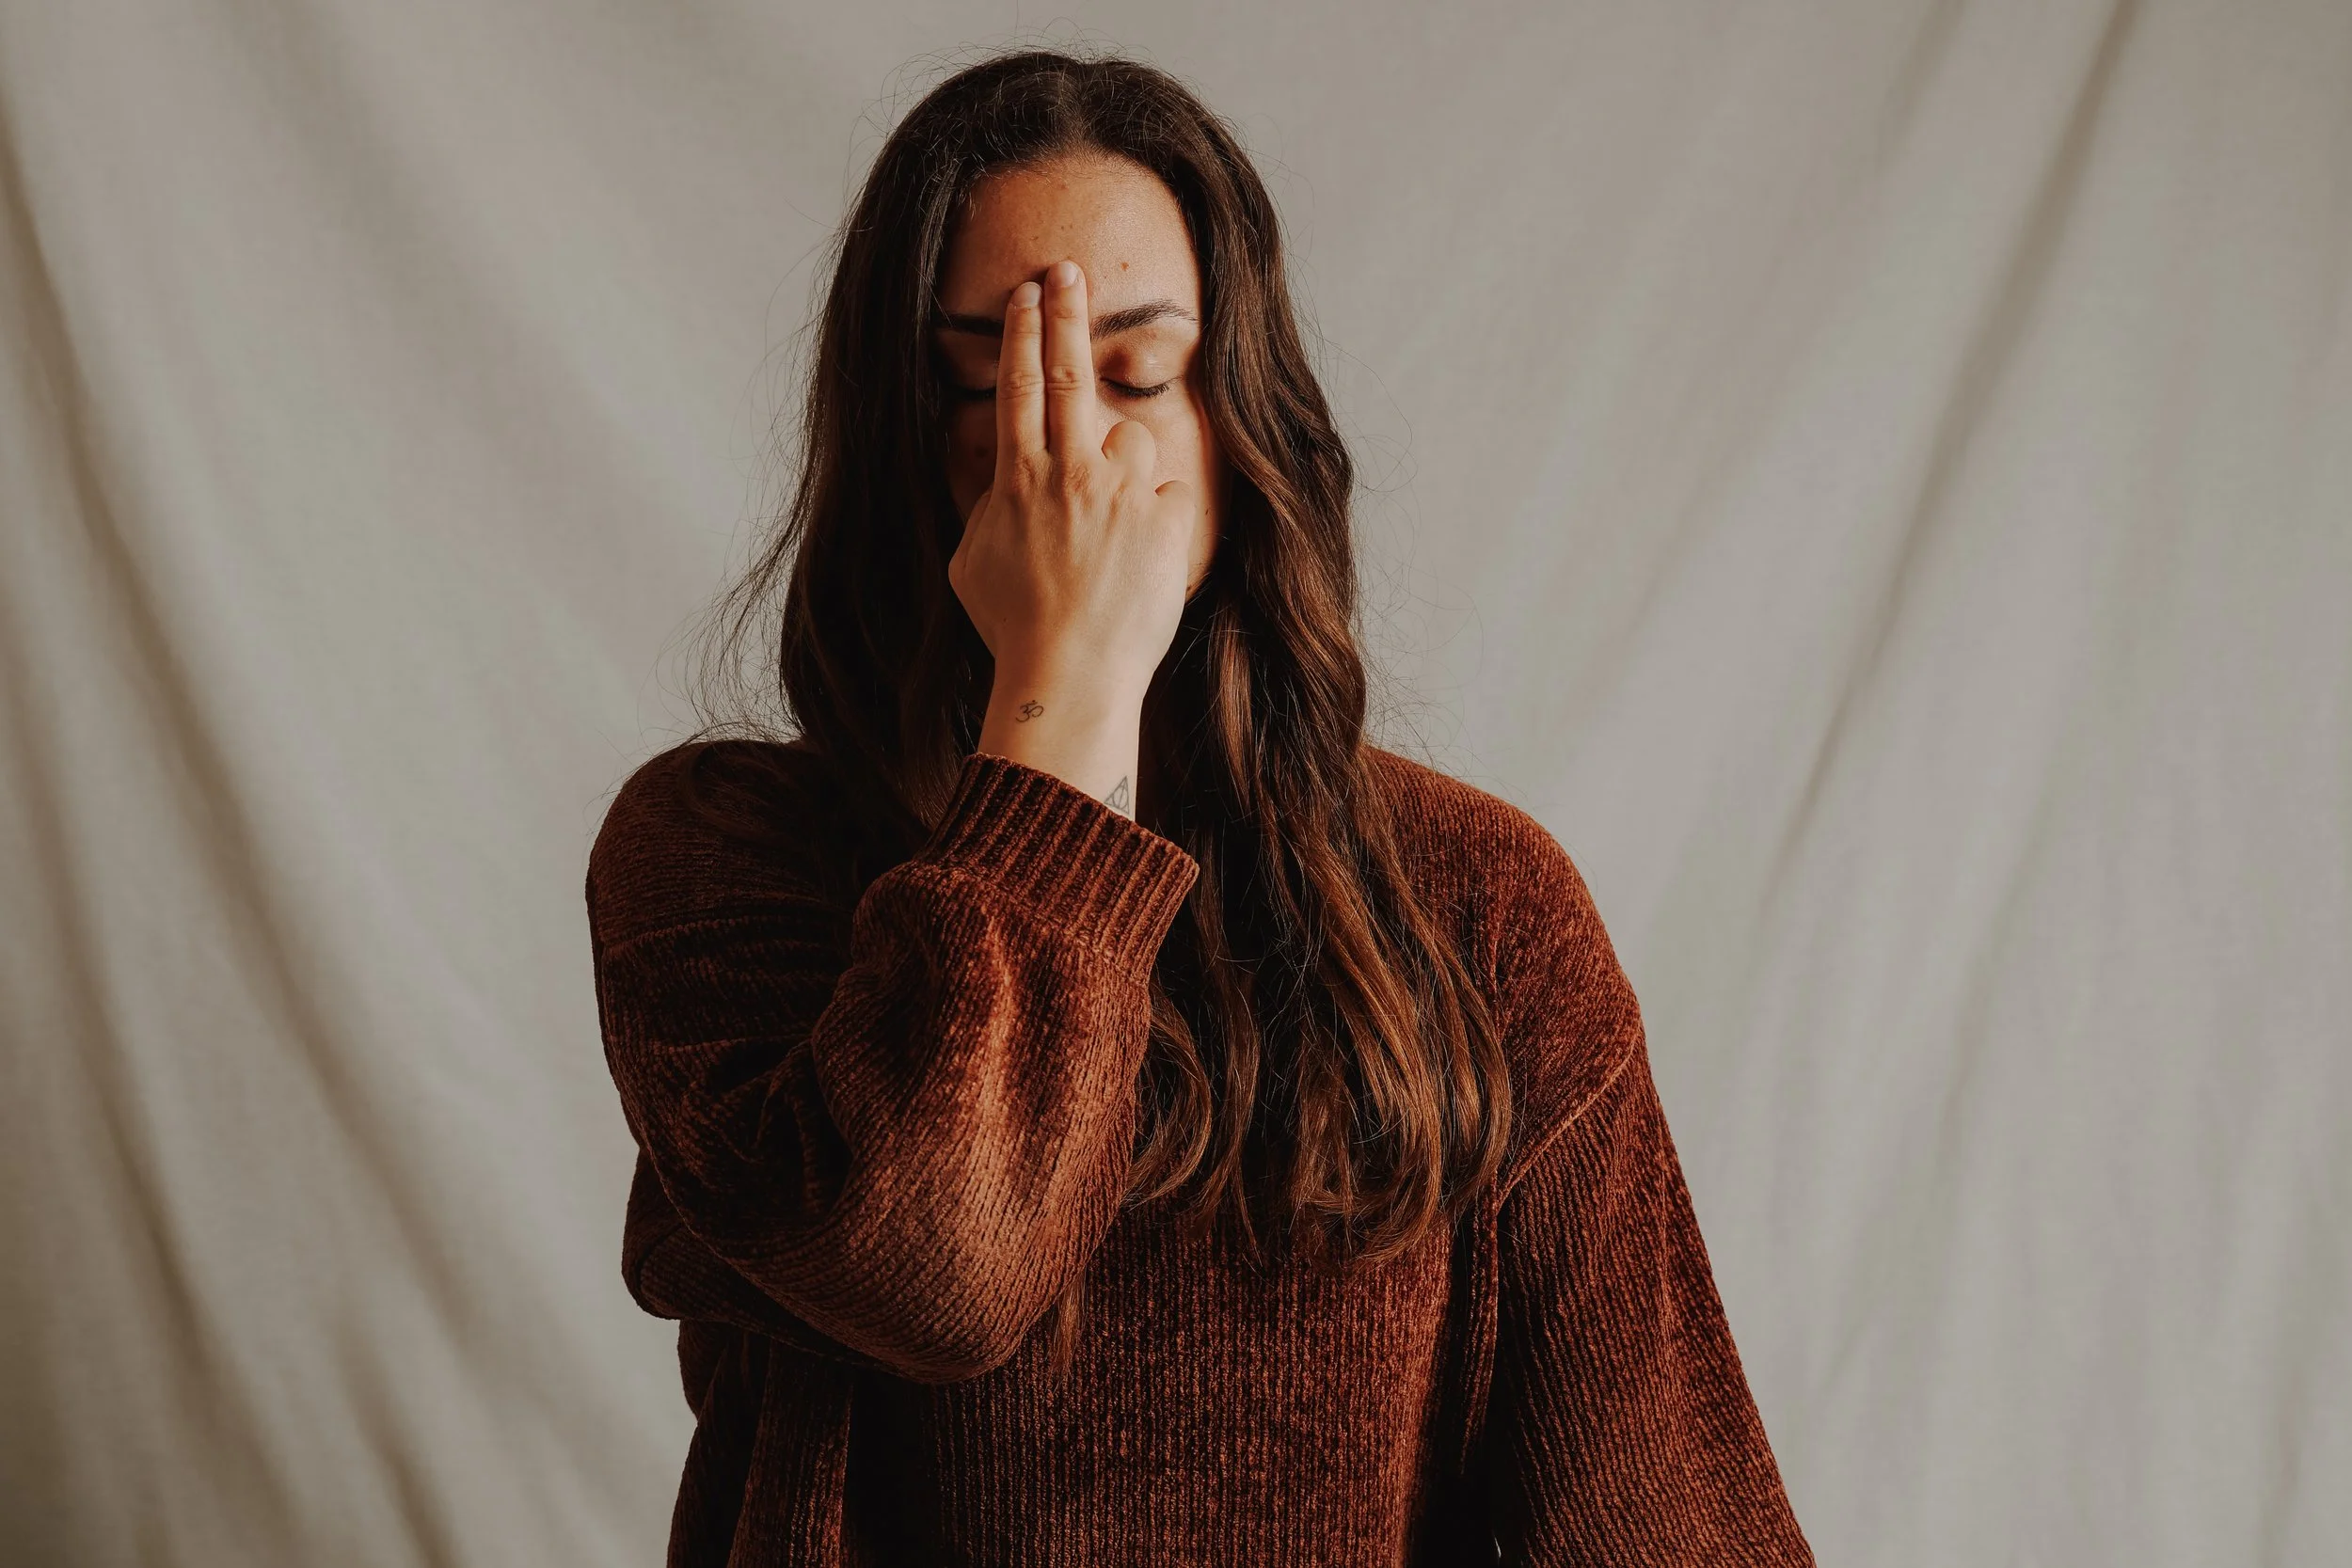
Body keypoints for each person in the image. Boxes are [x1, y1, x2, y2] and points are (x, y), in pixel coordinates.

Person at [585, 48, 1813, 1567]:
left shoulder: (1474, 903)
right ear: (899, 428)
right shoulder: (726, 858)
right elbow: (939, 1270)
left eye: (1134, 374)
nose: (1071, 457)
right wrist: (1064, 697)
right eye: (991, 381)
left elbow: (1674, 1528)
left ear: (1239, 422)